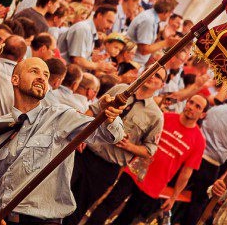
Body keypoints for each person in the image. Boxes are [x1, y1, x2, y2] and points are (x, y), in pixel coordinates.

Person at [0, 57, 125, 225]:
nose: (42, 77)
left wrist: (109, 116)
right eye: (34, 71)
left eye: (46, 75)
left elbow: (111, 135)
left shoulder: (61, 116)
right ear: (15, 79)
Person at [86, 94, 208, 224]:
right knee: (108, 204)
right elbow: (142, 139)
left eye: (197, 106)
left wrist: (173, 197)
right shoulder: (164, 118)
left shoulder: (199, 141)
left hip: (154, 186)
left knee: (127, 219)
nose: (191, 107)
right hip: (134, 172)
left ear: (203, 115)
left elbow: (186, 172)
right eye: (190, 102)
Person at [66, 68, 165, 225]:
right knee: (56, 194)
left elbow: (150, 150)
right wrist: (81, 134)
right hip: (83, 152)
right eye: (151, 71)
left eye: (158, 76)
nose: (152, 75)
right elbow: (93, 110)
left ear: (162, 85)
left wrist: (130, 146)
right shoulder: (121, 89)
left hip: (105, 168)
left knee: (76, 210)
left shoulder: (156, 115)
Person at [183, 101, 227, 224]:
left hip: (193, 155)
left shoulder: (215, 109)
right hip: (210, 165)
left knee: (180, 190)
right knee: (198, 202)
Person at [58, 4, 117, 72]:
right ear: (99, 15)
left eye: (112, 24)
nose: (110, 27)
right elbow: (78, 60)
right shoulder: (83, 29)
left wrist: (94, 60)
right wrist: (98, 66)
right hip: (64, 71)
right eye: (109, 21)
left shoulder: (89, 30)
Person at [127, 0, 179, 65]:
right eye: (171, 12)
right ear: (165, 12)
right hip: (130, 63)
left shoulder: (152, 17)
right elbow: (144, 50)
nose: (170, 15)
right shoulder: (149, 20)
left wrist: (161, 35)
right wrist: (167, 42)